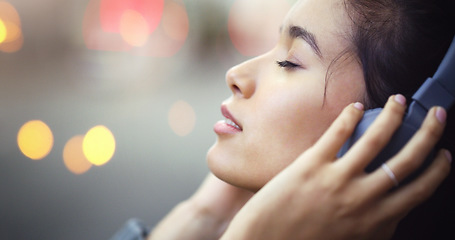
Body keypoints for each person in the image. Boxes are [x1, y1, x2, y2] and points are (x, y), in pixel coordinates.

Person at [111, 0, 455, 239]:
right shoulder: (212, 215)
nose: (235, 74)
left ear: (387, 137)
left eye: (289, 62)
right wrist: (203, 216)